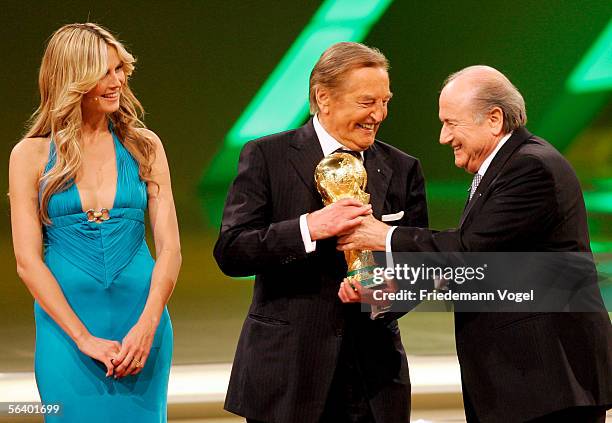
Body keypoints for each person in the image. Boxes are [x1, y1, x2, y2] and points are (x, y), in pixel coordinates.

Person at [337, 65, 612, 422]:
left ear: (494, 119)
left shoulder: (531, 168)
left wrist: (381, 234)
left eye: (451, 123)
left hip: (549, 383)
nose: (442, 136)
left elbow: (468, 252)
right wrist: (387, 289)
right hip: (525, 384)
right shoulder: (504, 167)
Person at [214, 42, 428, 423]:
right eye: (367, 102)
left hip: (373, 381)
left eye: (385, 102)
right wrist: (309, 229)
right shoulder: (267, 157)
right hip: (286, 375)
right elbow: (232, 251)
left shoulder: (402, 168)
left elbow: (420, 267)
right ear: (323, 98)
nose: (379, 115)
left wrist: (384, 294)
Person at [9, 23, 181, 422]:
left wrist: (147, 326)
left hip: (143, 324)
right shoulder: (29, 156)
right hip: (67, 333)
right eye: (104, 71)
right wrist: (84, 339)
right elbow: (27, 262)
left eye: (119, 69)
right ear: (71, 77)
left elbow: (170, 248)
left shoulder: (144, 145)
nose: (116, 81)